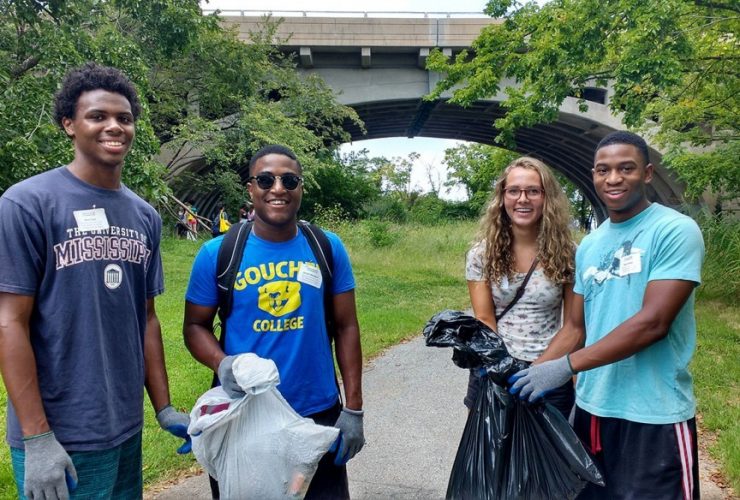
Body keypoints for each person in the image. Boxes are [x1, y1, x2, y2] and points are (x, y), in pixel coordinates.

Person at [0, 63, 190, 500]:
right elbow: (10, 322)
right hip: (59, 435)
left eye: (124, 118)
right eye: (97, 116)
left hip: (124, 428)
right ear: (69, 124)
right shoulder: (28, 203)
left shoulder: (144, 215)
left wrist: (162, 409)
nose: (114, 127)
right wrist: (36, 438)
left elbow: (146, 320)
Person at [509, 131, 704, 499]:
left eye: (625, 168)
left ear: (647, 173)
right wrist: (534, 372)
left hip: (654, 414)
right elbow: (575, 326)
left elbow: (653, 323)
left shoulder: (674, 230)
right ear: (594, 175)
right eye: (603, 170)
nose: (613, 179)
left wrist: (565, 366)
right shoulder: (591, 246)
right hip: (591, 412)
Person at [184, 144, 364, 499]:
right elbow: (194, 327)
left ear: (300, 188)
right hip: (244, 416)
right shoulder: (216, 253)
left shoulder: (327, 247)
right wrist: (224, 365)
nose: (277, 188)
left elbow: (347, 327)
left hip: (317, 414)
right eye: (265, 180)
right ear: (250, 188)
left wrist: (354, 409)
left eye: (289, 180)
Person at [465, 157, 576, 418]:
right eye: (514, 190)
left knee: (549, 459)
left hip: (550, 375)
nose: (522, 199)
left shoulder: (569, 254)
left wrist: (538, 371)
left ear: (547, 198)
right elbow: (484, 318)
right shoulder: (482, 254)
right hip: (496, 370)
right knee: (491, 456)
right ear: (503, 197)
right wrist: (505, 368)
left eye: (533, 191)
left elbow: (574, 325)